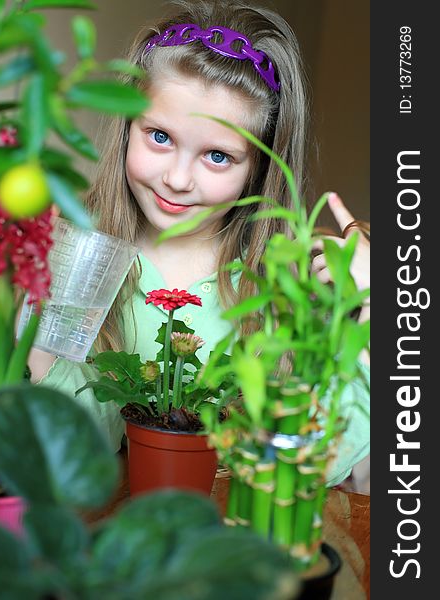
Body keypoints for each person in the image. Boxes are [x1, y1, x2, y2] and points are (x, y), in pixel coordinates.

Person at [28, 0, 370, 490]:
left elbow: (332, 467)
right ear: (127, 125)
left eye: (217, 156)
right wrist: (42, 305)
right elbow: (76, 447)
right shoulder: (85, 251)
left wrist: (378, 307)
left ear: (258, 168)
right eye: (160, 136)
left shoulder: (288, 278)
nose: (177, 179)